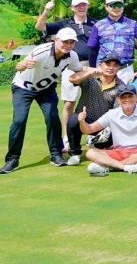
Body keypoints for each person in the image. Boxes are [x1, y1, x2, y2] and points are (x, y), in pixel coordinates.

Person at [1, 28, 82, 174]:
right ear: (56, 40)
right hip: (23, 88)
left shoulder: (72, 56)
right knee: (19, 120)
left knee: (52, 118)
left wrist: (95, 72)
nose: (68, 45)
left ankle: (56, 154)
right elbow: (18, 66)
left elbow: (79, 71)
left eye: (71, 42)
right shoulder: (41, 51)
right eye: (65, 41)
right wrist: (23, 65)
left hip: (46, 90)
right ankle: (12, 159)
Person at [34, 0, 95, 153]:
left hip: (90, 67)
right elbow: (40, 27)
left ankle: (92, 133)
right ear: (72, 8)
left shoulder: (95, 23)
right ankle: (67, 136)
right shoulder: (64, 24)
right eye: (78, 5)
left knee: (93, 101)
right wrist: (46, 11)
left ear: (87, 6)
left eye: (83, 5)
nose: (81, 7)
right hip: (69, 65)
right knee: (69, 103)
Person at [76, 85, 137, 176]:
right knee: (91, 153)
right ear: (118, 99)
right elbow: (88, 129)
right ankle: (126, 167)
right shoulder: (112, 114)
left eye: (130, 96)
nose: (127, 99)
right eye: (123, 97)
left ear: (136, 97)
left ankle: (109, 167)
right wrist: (82, 121)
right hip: (118, 152)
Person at [66, 54, 123, 165]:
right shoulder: (90, 78)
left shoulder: (120, 86)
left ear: (118, 68)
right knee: (73, 120)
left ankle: (95, 143)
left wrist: (109, 127)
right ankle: (75, 153)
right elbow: (72, 79)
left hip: (102, 123)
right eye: (108, 64)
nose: (111, 68)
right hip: (83, 118)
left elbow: (116, 111)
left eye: (115, 65)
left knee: (104, 144)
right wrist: (89, 72)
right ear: (100, 65)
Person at [87, 0, 137, 83]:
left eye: (119, 5)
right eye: (113, 5)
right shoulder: (98, 25)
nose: (116, 8)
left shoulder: (133, 24)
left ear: (123, 7)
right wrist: (93, 69)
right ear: (106, 7)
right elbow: (92, 50)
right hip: (104, 70)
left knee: (126, 92)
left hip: (125, 70)